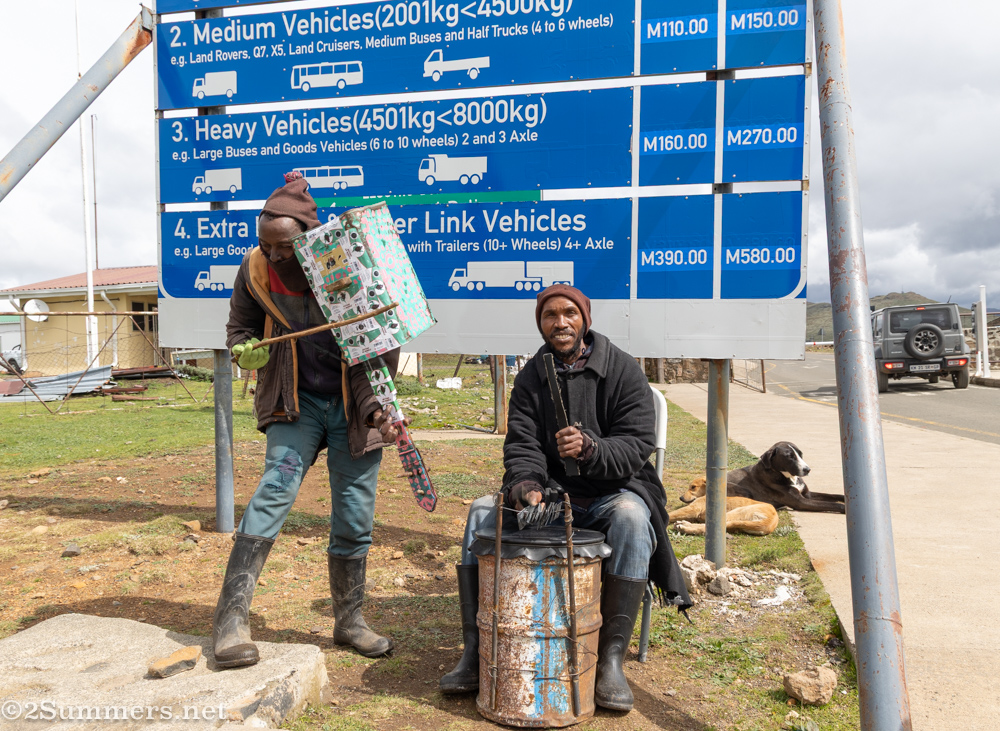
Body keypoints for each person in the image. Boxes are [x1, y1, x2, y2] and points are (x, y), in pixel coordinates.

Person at [439, 284, 691, 711]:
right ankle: (476, 652)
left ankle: (609, 660)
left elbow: (636, 443)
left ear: (584, 319)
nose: (560, 323)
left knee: (632, 518)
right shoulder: (531, 377)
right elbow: (522, 445)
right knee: (482, 511)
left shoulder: (624, 370)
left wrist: (592, 449)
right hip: (555, 499)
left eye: (569, 314)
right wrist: (526, 485)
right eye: (550, 315)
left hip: (614, 491)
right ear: (540, 323)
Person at [213, 172, 401, 668]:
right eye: (265, 244)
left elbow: (375, 352)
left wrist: (377, 409)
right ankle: (231, 621)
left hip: (355, 407)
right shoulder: (254, 269)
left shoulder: (347, 268)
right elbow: (240, 327)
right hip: (293, 403)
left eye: (284, 248)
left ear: (311, 239)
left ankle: (350, 621)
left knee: (355, 514)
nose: (273, 255)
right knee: (274, 491)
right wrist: (243, 350)